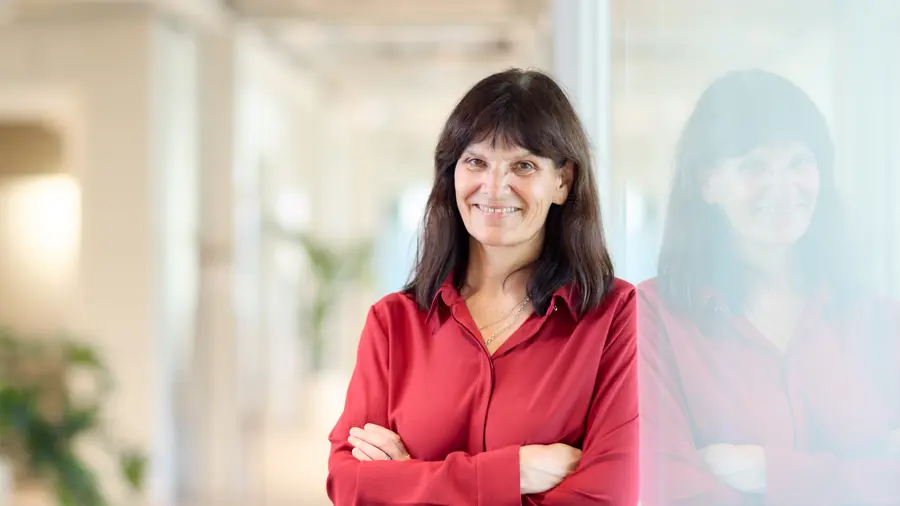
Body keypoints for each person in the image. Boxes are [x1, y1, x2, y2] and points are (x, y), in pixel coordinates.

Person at [326, 68, 639, 505]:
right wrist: (516, 473)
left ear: (563, 181)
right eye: (476, 161)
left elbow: (605, 496)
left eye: (523, 165)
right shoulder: (393, 322)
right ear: (452, 172)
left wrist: (410, 482)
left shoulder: (615, 317)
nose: (494, 187)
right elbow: (350, 485)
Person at [638, 69, 900, 506]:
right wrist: (858, 477)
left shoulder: (876, 317)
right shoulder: (653, 317)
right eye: (753, 165)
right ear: (707, 182)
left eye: (799, 161)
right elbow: (671, 487)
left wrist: (768, 471)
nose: (783, 186)